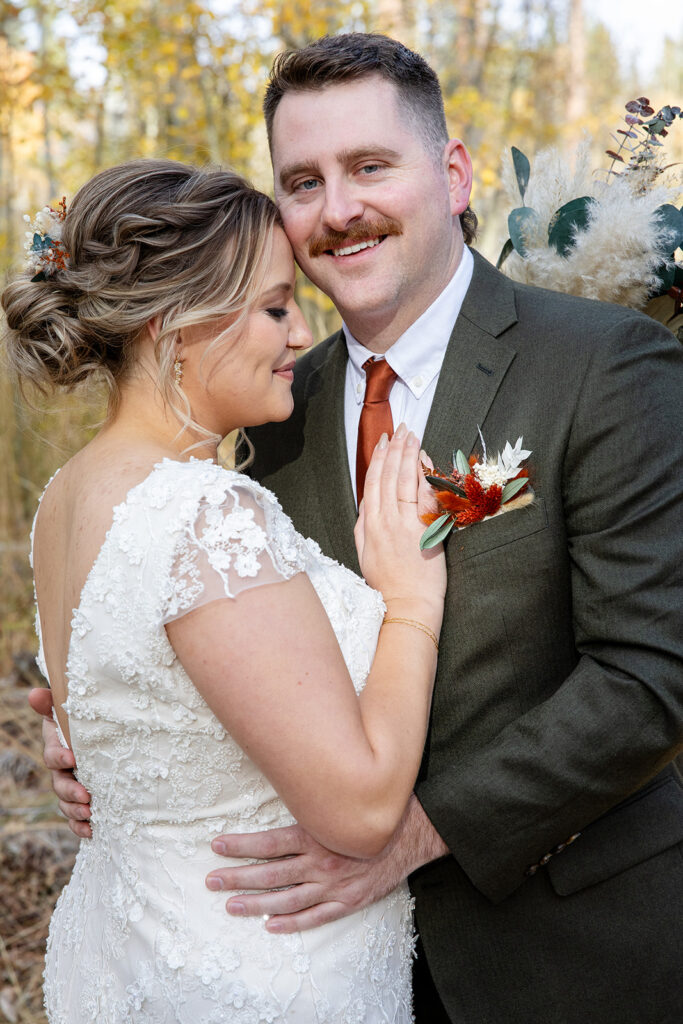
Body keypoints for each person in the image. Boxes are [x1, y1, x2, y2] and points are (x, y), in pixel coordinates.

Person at [37, 33, 683, 1024]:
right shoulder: (258, 415)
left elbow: (649, 675)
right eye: (303, 181)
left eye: (369, 167)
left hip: (561, 959)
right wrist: (113, 743)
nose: (338, 210)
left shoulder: (605, 367)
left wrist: (419, 828)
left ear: (453, 172)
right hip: (294, 963)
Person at [5, 158, 448, 1022]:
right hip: (255, 975)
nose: (297, 337)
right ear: (175, 328)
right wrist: (410, 603)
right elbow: (358, 811)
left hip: (129, 950)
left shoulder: (65, 496)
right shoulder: (203, 512)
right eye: (276, 307)